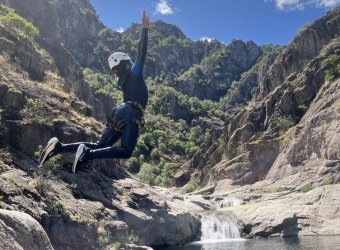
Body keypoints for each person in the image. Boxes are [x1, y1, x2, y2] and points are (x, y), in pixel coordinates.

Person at [39, 11, 150, 173]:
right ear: (126, 64)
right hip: (131, 112)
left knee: (101, 145)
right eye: (129, 62)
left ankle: (59, 147)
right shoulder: (133, 74)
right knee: (126, 151)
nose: (132, 64)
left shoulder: (123, 80)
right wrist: (145, 30)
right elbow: (142, 55)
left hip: (118, 112)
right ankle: (87, 154)